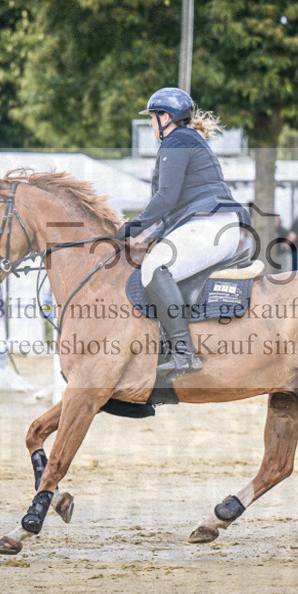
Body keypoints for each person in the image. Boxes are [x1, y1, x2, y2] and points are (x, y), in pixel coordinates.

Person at [118, 87, 249, 379]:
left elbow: (165, 197)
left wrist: (132, 228)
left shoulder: (176, 140)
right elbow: (176, 205)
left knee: (154, 266)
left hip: (210, 225)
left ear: (166, 117)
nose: (151, 123)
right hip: (212, 224)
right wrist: (153, 234)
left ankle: (183, 352)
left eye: (153, 117)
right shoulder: (187, 140)